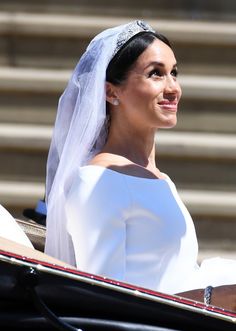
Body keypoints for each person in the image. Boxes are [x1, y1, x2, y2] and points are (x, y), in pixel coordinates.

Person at [45, 20, 236, 311]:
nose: (172, 87)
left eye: (174, 73)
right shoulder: (98, 182)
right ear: (111, 92)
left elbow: (172, 276)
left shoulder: (159, 178)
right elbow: (103, 300)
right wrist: (214, 298)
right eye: (155, 74)